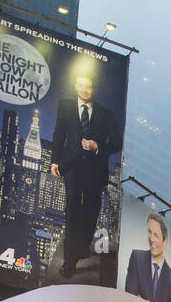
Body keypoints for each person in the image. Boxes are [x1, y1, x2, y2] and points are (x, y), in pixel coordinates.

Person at [50, 72, 123, 276]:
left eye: (89, 86)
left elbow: (117, 142)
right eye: (81, 85)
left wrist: (98, 146)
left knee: (91, 211)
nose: (84, 89)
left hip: (95, 169)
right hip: (71, 167)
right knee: (72, 211)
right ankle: (69, 261)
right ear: (75, 86)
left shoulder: (106, 114)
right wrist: (55, 160)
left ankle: (82, 247)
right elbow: (58, 135)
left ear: (94, 89)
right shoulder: (64, 106)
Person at [124, 212, 171, 302]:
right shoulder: (137, 258)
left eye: (156, 235)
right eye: (150, 232)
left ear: (165, 241)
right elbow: (129, 297)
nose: (151, 239)